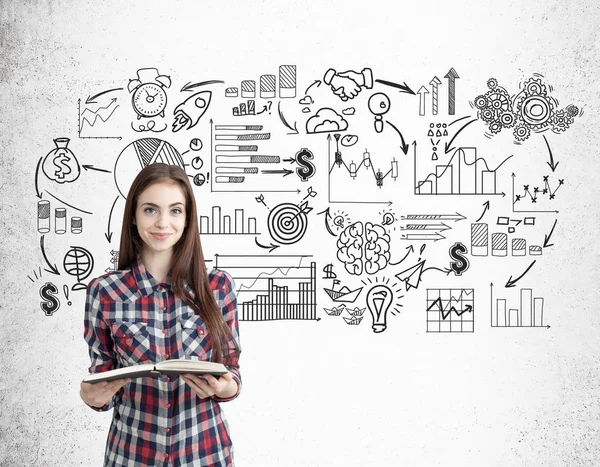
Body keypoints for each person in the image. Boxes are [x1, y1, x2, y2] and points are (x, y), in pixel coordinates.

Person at [80, 163, 241, 466]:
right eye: (151, 210)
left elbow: (232, 370)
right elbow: (102, 378)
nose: (163, 222)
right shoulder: (104, 292)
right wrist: (94, 398)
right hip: (131, 454)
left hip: (205, 453)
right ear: (134, 215)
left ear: (188, 218)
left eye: (175, 211)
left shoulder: (218, 286)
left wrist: (225, 387)